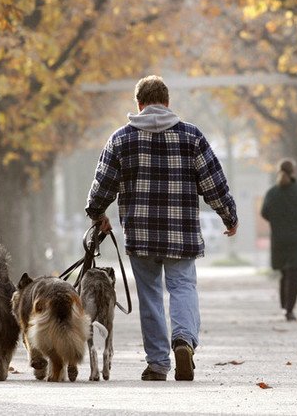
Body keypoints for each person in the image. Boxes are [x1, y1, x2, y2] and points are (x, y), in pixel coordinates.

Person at [85, 75, 238, 381]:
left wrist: (98, 213)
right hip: (181, 232)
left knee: (150, 294)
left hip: (141, 234)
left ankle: (157, 363)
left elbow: (102, 186)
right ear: (167, 103)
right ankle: (183, 340)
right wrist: (228, 216)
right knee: (182, 286)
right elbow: (213, 184)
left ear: (138, 104)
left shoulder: (120, 139)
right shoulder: (192, 137)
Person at [260, 160, 297, 322]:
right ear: (294, 172)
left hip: (279, 238)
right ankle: (289, 309)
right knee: (295, 273)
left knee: (285, 273)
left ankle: (284, 305)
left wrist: (277, 221)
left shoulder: (272, 192)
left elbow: (265, 212)